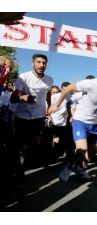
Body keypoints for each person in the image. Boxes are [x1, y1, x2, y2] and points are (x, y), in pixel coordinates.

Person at [48, 60, 97, 182]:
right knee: (82, 149)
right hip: (80, 120)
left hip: (94, 123)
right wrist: (56, 104)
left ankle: (79, 168)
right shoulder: (90, 83)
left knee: (91, 155)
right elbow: (68, 88)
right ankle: (68, 167)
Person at [10, 53, 54, 185]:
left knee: (34, 145)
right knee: (20, 147)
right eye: (39, 62)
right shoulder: (23, 77)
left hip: (38, 118)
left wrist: (49, 107)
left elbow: (48, 94)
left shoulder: (49, 80)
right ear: (33, 63)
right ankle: (18, 175)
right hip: (22, 117)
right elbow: (13, 98)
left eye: (44, 63)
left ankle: (24, 165)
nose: (41, 65)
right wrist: (23, 98)